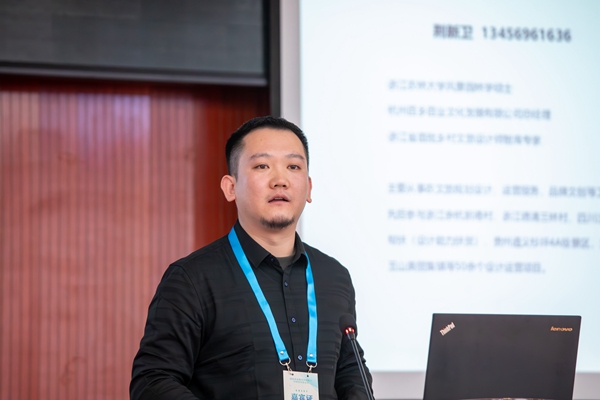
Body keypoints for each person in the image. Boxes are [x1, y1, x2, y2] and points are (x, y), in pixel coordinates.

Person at [130, 116, 372, 400]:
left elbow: (350, 371)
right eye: (262, 166)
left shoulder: (335, 277)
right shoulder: (192, 279)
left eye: (293, 167)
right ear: (230, 188)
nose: (280, 180)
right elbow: (153, 381)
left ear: (308, 187)